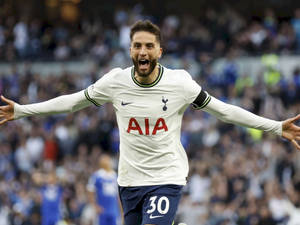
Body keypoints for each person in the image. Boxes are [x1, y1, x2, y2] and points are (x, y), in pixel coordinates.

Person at [0, 20, 300, 225]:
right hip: (129, 182)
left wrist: (274, 126)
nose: (142, 51)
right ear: (131, 50)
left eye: (148, 46)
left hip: (167, 177)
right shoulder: (115, 82)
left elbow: (223, 110)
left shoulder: (179, 82)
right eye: (137, 46)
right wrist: (23, 110)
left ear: (159, 51)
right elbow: (72, 101)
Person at [87, 154, 121, 225]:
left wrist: (121, 209)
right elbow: (90, 191)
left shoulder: (115, 176)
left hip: (114, 210)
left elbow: (118, 195)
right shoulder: (97, 176)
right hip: (102, 210)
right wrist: (95, 206)